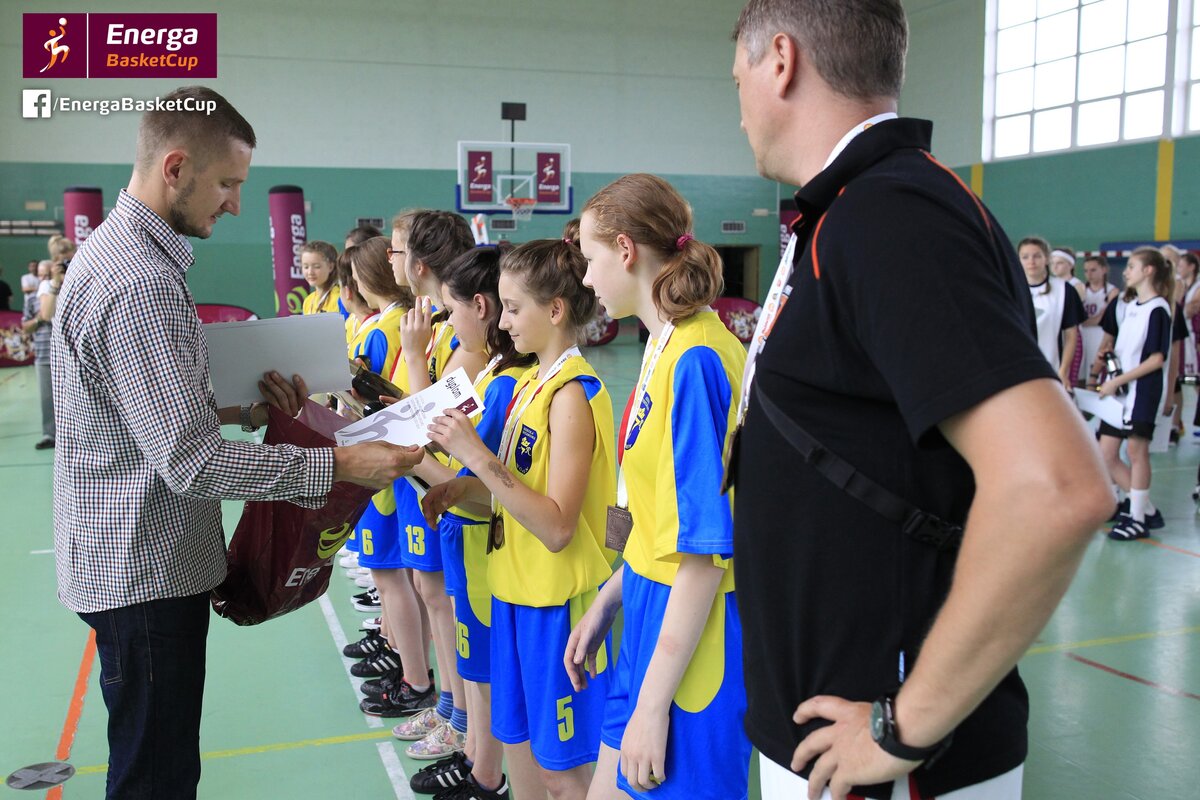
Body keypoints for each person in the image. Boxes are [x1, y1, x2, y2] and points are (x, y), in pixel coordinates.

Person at [728, 3, 1112, 799]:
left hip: (881, 758)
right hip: (826, 735)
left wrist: (902, 726)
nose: (737, 110)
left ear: (781, 61)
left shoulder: (890, 213)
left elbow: (1056, 487)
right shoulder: (848, 212)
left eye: (737, 79)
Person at [49, 85, 423, 800]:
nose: (237, 204)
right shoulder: (139, 283)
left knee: (155, 762)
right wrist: (340, 463)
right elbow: (191, 462)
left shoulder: (119, 256)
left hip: (128, 556)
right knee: (155, 777)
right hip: (145, 571)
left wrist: (249, 409)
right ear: (176, 168)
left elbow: (137, 410)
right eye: (227, 183)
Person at [568, 174, 752, 800]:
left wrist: (652, 708)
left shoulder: (697, 359)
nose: (586, 278)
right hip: (648, 610)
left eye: (590, 259)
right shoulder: (663, 345)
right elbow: (658, 518)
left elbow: (702, 552)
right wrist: (610, 598)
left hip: (695, 641)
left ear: (625, 250)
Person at [426, 239, 616, 800]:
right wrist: (462, 489)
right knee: (520, 748)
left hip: (557, 604)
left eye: (512, 308)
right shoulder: (533, 383)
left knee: (562, 773)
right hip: (512, 591)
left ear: (554, 310)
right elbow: (514, 492)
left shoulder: (572, 394)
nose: (503, 322)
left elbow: (557, 527)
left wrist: (475, 456)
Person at [406, 243, 543, 799]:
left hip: (485, 544)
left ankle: (486, 775)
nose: (445, 321)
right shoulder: (488, 371)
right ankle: (478, 763)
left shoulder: (505, 383)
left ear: (480, 307)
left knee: (486, 672)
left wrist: (406, 455)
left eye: (450, 309)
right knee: (478, 666)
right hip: (469, 541)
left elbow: (476, 483)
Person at [1098, 247, 1173, 540]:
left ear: (1148, 270)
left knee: (1135, 452)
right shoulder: (1131, 307)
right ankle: (1147, 509)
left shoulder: (1158, 309)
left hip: (1142, 390)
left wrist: (1118, 380)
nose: (1126, 272)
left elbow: (1156, 359)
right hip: (1121, 390)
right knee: (1106, 454)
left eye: (1131, 266)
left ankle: (1138, 519)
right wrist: (1110, 360)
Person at [1020, 236, 1086, 389]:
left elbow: (1071, 335)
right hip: (1019, 369)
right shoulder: (1010, 289)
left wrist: (1063, 371)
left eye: (1037, 256)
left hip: (1051, 368)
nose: (1031, 261)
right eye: (1025, 257)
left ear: (1047, 259)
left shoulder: (1064, 290)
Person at [22, 260, 57, 449]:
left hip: (63, 354)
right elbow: (25, 327)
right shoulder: (31, 299)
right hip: (43, 355)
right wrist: (39, 319)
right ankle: (49, 435)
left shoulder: (63, 292)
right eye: (40, 275)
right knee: (46, 399)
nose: (43, 278)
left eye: (46, 274)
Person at [1080, 255, 1119, 389]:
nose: (1089, 274)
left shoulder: (1112, 291)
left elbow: (1104, 319)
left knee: (1096, 373)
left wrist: (1086, 321)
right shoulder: (1081, 290)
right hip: (1083, 336)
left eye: (1093, 270)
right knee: (1080, 374)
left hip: (1101, 336)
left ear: (1104, 270)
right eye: (1086, 271)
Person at [300, 240, 341, 314]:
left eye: (316, 267)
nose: (310, 272)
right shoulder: (308, 301)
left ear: (330, 267)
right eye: (306, 267)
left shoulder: (340, 298)